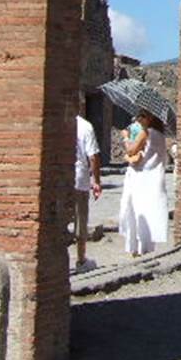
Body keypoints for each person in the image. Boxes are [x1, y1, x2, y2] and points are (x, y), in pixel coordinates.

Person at [119, 110, 168, 257]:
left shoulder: (146, 133)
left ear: (150, 118)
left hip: (139, 177)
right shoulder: (160, 135)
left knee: (134, 210)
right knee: (147, 209)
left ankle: (136, 247)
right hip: (152, 178)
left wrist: (126, 138)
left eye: (142, 116)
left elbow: (131, 150)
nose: (138, 118)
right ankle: (145, 246)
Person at [73, 113, 102, 272]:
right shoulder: (85, 126)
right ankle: (81, 259)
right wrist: (96, 180)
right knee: (80, 219)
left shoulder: (56, 121)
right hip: (79, 178)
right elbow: (93, 156)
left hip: (59, 178)